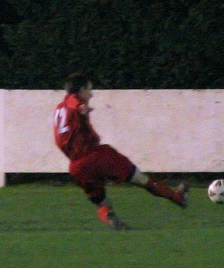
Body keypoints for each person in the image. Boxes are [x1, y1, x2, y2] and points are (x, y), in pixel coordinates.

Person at [53, 72, 188, 230]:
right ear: (81, 90)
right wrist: (81, 106)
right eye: (89, 90)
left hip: (76, 167)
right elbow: (73, 101)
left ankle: (110, 218)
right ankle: (177, 198)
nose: (91, 94)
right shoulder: (74, 102)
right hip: (97, 156)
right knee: (141, 180)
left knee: (101, 203)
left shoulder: (58, 109)